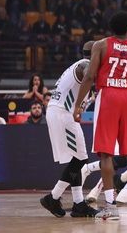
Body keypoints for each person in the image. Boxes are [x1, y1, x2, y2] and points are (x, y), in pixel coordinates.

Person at [73, 11, 127, 220]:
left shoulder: (101, 45)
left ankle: (110, 207)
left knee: (106, 154)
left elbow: (90, 76)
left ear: (111, 28)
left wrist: (78, 105)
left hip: (108, 96)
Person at [40, 41, 98, 218]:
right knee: (81, 158)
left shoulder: (77, 65)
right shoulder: (85, 64)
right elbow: (88, 75)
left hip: (60, 112)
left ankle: (78, 204)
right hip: (62, 113)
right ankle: (53, 197)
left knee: (77, 158)